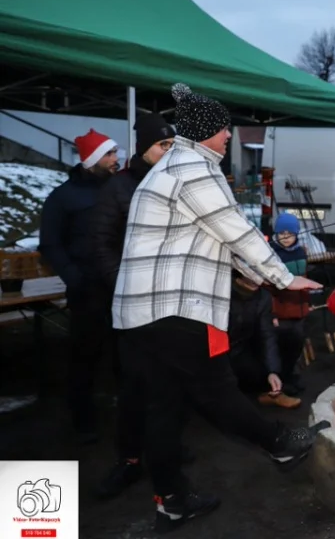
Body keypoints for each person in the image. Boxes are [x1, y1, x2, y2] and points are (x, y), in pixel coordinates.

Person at [111, 83, 325, 533]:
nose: (229, 135)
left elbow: (204, 237)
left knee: (165, 405)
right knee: (214, 387)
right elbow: (236, 230)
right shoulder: (194, 168)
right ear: (204, 132)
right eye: (223, 128)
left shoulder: (173, 165)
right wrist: (283, 277)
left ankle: (172, 499)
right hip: (173, 309)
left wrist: (248, 268)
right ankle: (280, 442)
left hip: (141, 314)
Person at [88, 114, 180, 499]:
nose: (169, 152)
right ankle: (129, 460)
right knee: (134, 386)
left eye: (173, 146)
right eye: (163, 145)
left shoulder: (173, 185)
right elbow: (101, 244)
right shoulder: (119, 188)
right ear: (145, 147)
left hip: (170, 302)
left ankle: (164, 452)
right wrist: (124, 285)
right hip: (132, 304)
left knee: (170, 384)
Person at [38, 128, 120, 443]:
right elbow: (51, 244)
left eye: (115, 153)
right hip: (87, 290)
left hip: (120, 286)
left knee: (125, 354)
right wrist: (74, 277)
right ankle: (82, 419)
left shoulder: (118, 189)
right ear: (92, 160)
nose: (116, 159)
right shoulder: (63, 197)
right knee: (85, 356)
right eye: (109, 154)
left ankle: (127, 412)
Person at [228, 271, 300, 408]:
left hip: (247, 343)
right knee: (246, 370)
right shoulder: (223, 292)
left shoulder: (263, 296)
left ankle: (275, 387)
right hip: (225, 348)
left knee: (290, 336)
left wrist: (273, 371)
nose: (257, 278)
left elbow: (266, 334)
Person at [267, 211, 311, 396]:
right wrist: (272, 313)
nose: (286, 237)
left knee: (297, 344)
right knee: (283, 345)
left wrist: (306, 304)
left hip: (298, 309)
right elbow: (268, 289)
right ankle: (282, 381)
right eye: (282, 233)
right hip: (281, 310)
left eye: (290, 233)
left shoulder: (301, 252)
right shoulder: (272, 255)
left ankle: (291, 375)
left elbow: (303, 280)